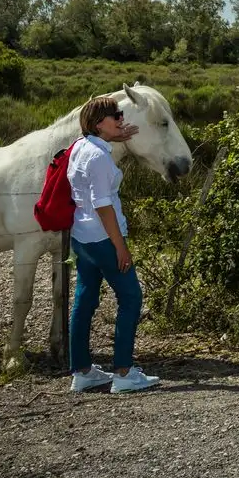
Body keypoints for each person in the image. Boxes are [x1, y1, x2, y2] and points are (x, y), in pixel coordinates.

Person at [67, 95, 160, 394]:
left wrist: (122, 134)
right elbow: (103, 206)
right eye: (115, 116)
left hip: (81, 238)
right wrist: (120, 247)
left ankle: (81, 371)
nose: (120, 119)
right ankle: (123, 372)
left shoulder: (80, 148)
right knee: (131, 297)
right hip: (104, 238)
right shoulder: (99, 158)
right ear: (98, 124)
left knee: (84, 300)